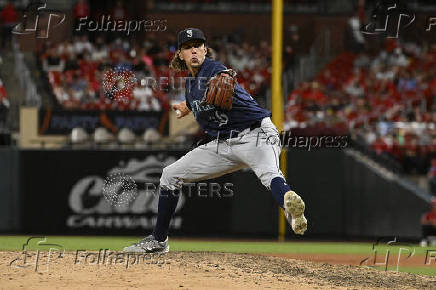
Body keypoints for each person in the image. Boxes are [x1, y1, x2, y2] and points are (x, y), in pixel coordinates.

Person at [123, 28, 307, 253]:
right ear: (180, 54)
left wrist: (224, 78)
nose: (194, 51)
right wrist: (186, 106)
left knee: (270, 175)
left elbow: (224, 75)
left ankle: (290, 207)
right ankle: (159, 241)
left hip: (256, 135)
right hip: (223, 145)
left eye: (198, 46)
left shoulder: (213, 68)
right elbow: (198, 99)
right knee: (170, 175)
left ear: (205, 50)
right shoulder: (191, 86)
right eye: (188, 47)